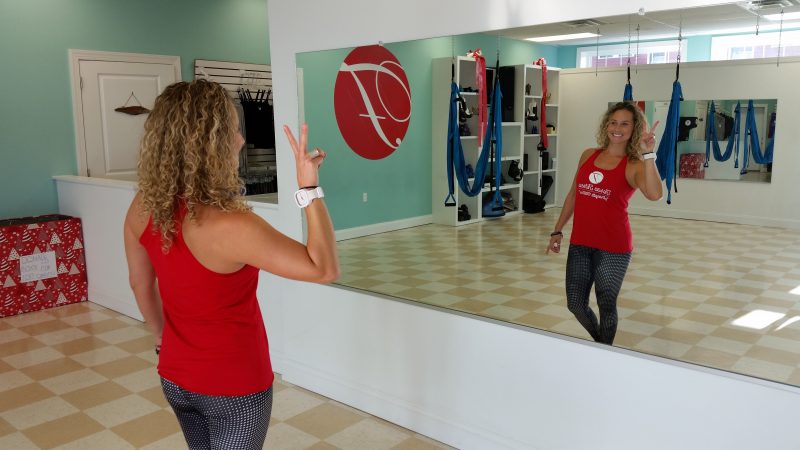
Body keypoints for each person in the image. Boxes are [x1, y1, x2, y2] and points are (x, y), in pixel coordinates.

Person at [123, 79, 339, 449]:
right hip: (235, 389)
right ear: (210, 144)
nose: (240, 140)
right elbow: (324, 268)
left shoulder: (144, 205)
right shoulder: (234, 226)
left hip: (175, 378)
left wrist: (161, 339)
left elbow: (140, 285)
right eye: (233, 131)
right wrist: (309, 188)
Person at [546, 101, 661, 345]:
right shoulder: (589, 155)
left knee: (606, 302)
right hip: (581, 243)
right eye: (613, 122)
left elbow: (654, 194)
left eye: (625, 124)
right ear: (606, 125)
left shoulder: (634, 165)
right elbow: (573, 194)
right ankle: (602, 345)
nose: (617, 128)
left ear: (634, 129)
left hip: (614, 247)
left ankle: (603, 352)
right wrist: (557, 230)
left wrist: (649, 154)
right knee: (575, 303)